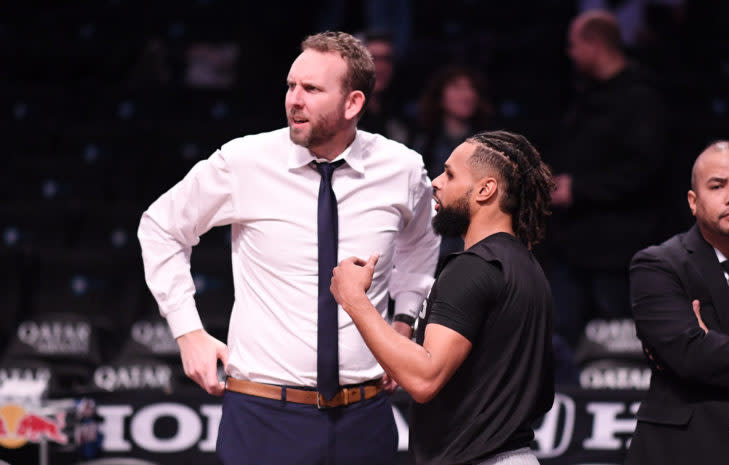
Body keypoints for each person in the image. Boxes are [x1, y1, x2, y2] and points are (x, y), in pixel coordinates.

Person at [137, 31, 439, 465]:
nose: (294, 100)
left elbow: (422, 246)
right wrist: (189, 332)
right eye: (290, 86)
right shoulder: (245, 161)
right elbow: (161, 227)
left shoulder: (401, 168)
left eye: (311, 89)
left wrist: (405, 322)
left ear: (353, 103)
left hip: (366, 416)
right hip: (263, 416)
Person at [330, 130, 556, 465]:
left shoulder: (471, 268)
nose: (436, 182)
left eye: (450, 174)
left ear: (485, 189)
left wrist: (354, 300)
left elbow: (424, 378)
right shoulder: (527, 267)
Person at [626, 141, 729, 465]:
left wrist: (710, 344)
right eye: (717, 185)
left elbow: (700, 353)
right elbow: (687, 355)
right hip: (681, 451)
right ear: (693, 201)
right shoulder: (657, 264)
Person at [545, 9, 668, 349]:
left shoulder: (640, 98)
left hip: (618, 253)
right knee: (560, 342)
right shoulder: (584, 96)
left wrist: (578, 188)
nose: (569, 53)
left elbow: (644, 171)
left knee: (618, 346)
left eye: (573, 45)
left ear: (594, 44)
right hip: (573, 248)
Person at [412, 65, 495, 268]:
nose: (467, 94)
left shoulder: (490, 145)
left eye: (471, 88)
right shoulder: (425, 144)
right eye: (458, 87)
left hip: (478, 243)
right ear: (441, 96)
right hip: (435, 242)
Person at [356, 30, 411, 145]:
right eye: (373, 58)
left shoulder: (401, 118)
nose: (381, 67)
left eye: (387, 59)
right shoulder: (342, 117)